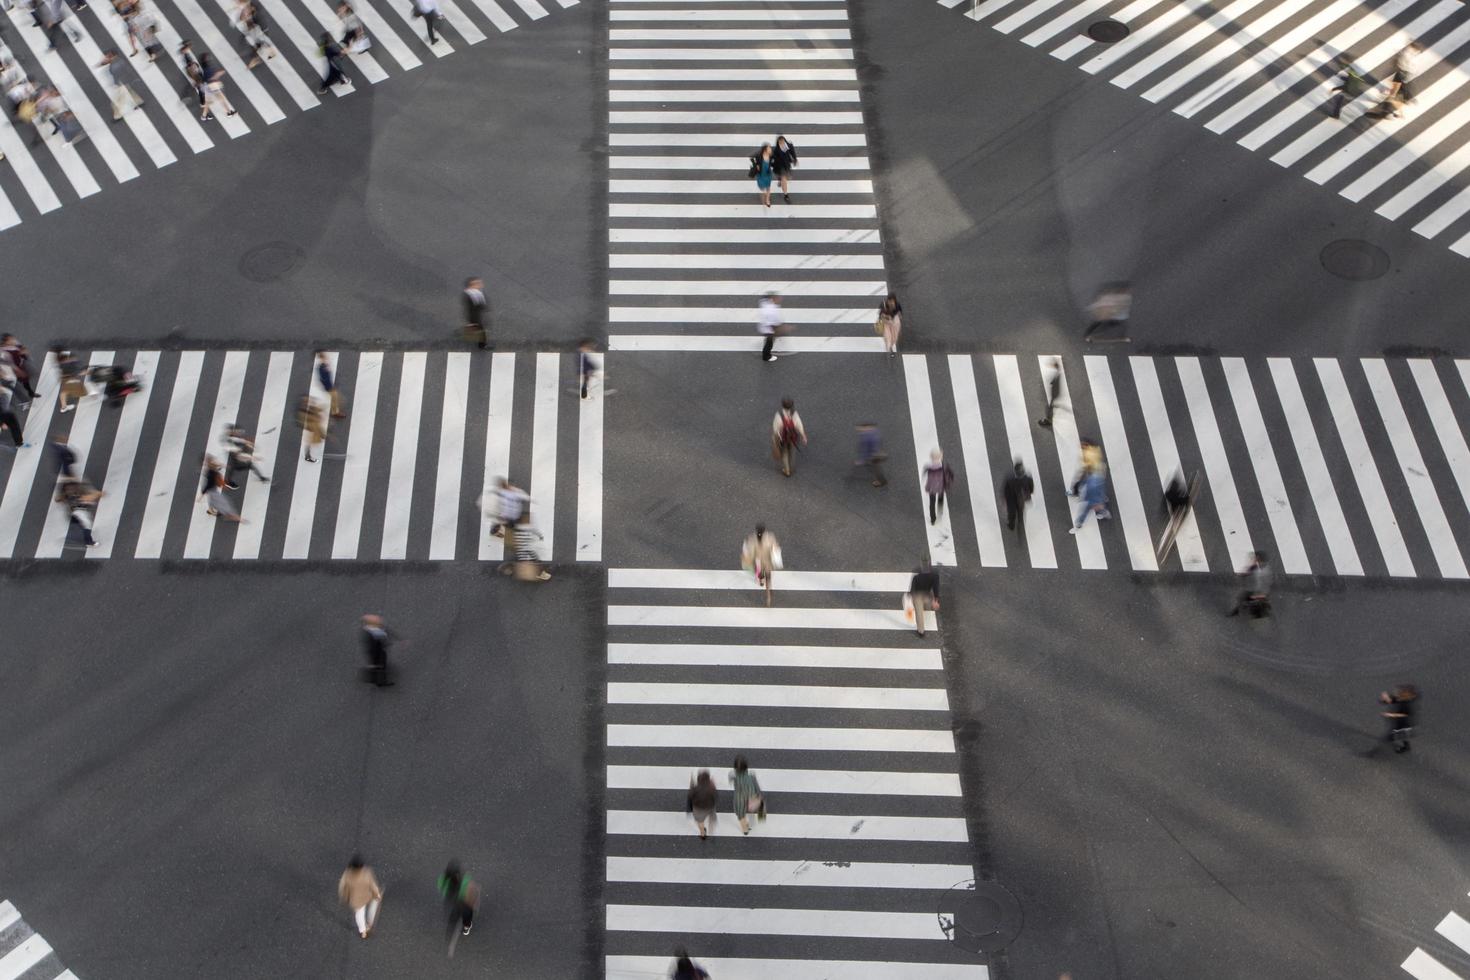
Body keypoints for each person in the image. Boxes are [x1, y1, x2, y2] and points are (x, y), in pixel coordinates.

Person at [437, 861, 480, 955]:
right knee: (467, 915)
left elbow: (442, 889)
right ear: (457, 874)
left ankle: (449, 936)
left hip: (453, 903)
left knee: (453, 918)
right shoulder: (464, 879)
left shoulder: (442, 880)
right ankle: (466, 927)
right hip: (465, 903)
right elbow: (471, 891)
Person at [338, 855, 383, 939]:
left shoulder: (348, 875)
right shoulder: (366, 873)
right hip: (368, 895)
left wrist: (345, 898)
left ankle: (363, 931)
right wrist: (377, 893)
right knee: (374, 903)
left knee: (359, 914)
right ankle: (370, 922)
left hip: (356, 901)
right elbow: (372, 885)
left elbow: (343, 888)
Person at [1157, 470, 1197, 562]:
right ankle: (1167, 546)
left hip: (1173, 509)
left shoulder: (1169, 492)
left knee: (1169, 528)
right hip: (1178, 510)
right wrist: (1186, 507)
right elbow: (1185, 501)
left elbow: (1165, 500)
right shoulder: (1178, 493)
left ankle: (1163, 548)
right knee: (1174, 527)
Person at [97, 49, 144, 122]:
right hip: (124, 82)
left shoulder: (115, 65)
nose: (106, 58)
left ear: (114, 56)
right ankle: (138, 102)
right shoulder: (118, 62)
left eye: (109, 56)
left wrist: (117, 83)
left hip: (121, 83)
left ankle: (117, 116)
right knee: (130, 92)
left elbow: (119, 74)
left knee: (116, 101)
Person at [57, 477, 102, 548]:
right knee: (87, 524)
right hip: (78, 511)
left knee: (82, 522)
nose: (70, 489)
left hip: (77, 511)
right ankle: (89, 542)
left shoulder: (72, 493)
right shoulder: (70, 495)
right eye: (69, 488)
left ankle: (83, 529)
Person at [741, 524, 780, 606]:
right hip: (768, 561)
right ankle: (768, 595)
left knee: (760, 574)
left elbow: (749, 551)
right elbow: (775, 547)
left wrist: (746, 558)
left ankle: (762, 580)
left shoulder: (752, 538)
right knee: (768, 578)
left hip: (758, 561)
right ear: (764, 530)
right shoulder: (770, 537)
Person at [199, 455, 244, 523]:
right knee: (223, 502)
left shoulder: (211, 468)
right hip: (211, 489)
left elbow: (216, 466)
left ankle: (210, 510)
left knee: (212, 499)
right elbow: (208, 485)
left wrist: (223, 466)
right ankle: (233, 516)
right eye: (212, 461)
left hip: (211, 487)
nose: (215, 461)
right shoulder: (211, 474)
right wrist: (201, 496)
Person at [1227, 550, 1271, 618]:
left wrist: (1258, 595)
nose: (1254, 559)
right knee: (1243, 599)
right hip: (1253, 589)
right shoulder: (1258, 567)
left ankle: (1258, 613)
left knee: (1243, 599)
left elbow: (1263, 584)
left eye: (1256, 558)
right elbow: (1249, 571)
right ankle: (1258, 612)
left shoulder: (1262, 572)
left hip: (1256, 591)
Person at [771, 397, 807, 478]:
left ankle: (787, 470)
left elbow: (776, 428)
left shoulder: (779, 414)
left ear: (782, 405)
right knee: (791, 451)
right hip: (792, 437)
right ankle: (791, 467)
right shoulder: (794, 413)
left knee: (784, 452)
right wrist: (803, 435)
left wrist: (775, 438)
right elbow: (798, 424)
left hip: (783, 438)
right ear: (792, 406)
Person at [1379, 684, 1418, 754]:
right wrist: (1385, 698)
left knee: (1396, 734)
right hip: (1399, 722)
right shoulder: (1400, 698)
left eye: (1398, 692)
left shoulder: (1406, 704)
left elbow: (1404, 714)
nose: (1396, 693)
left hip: (1404, 722)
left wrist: (1391, 715)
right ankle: (1406, 746)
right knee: (1401, 734)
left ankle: (1382, 748)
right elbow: (1391, 701)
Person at [731, 755, 764, 835]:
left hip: (739, 798)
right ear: (746, 767)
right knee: (751, 809)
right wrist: (759, 795)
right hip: (751, 796)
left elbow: (732, 781)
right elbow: (757, 787)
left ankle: (745, 830)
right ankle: (750, 823)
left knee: (741, 815)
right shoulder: (751, 776)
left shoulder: (733, 776)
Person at [199, 53, 237, 121]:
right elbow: (213, 77)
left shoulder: (205, 68)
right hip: (213, 86)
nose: (209, 59)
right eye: (207, 58)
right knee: (221, 99)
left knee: (209, 102)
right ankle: (229, 112)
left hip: (208, 87)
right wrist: (220, 73)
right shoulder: (209, 68)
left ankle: (204, 116)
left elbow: (208, 78)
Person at [921, 449, 954, 525]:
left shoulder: (928, 466)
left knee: (932, 502)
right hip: (940, 486)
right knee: (940, 498)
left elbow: (924, 473)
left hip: (931, 487)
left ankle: (933, 519)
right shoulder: (944, 465)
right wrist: (950, 479)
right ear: (941, 457)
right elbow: (950, 473)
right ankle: (940, 512)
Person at [1, 335, 36, 404]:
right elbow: (9, 363)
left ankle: (29, 392)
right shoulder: (4, 352)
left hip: (20, 364)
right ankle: (27, 393)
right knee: (21, 381)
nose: (13, 340)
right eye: (10, 340)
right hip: (13, 369)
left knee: (25, 380)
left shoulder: (15, 345)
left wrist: (24, 354)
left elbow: (23, 350)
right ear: (6, 342)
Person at [908, 560, 940, 638]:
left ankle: (921, 631)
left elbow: (912, 589)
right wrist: (936, 600)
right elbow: (936, 588)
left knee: (919, 613)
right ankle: (927, 608)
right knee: (927, 606)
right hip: (927, 594)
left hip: (917, 596)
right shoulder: (935, 576)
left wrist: (910, 598)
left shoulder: (916, 577)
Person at [361, 613, 393, 686]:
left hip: (380, 651)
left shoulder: (376, 629)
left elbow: (387, 633)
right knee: (380, 667)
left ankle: (378, 681)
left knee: (381, 666)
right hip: (377, 653)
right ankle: (381, 681)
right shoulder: (371, 633)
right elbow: (372, 647)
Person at [1003, 460, 1033, 535]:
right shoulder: (1027, 477)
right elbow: (1031, 488)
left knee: (1012, 513)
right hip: (1021, 499)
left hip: (1012, 499)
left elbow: (1006, 490)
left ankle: (1012, 525)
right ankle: (1019, 524)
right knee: (1020, 512)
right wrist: (1028, 494)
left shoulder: (1010, 478)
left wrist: (1005, 498)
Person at [686, 769, 718, 839]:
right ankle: (711, 829)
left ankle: (703, 833)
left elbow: (690, 797)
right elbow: (715, 796)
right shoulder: (711, 788)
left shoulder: (695, 789)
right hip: (710, 807)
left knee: (700, 821)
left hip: (698, 808)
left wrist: (691, 784)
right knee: (711, 818)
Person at [297, 394, 327, 463]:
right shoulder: (302, 412)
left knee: (318, 437)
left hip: (315, 426)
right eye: (307, 401)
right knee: (310, 442)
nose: (309, 401)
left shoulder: (310, 408)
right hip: (312, 428)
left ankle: (322, 437)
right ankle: (307, 456)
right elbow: (301, 422)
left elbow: (317, 410)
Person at [56, 349, 87, 414]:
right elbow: (76, 372)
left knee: (64, 392)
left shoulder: (61, 364)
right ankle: (64, 407)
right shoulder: (67, 365)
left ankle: (64, 407)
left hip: (65, 379)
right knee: (74, 388)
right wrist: (85, 372)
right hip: (70, 379)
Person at [855, 421, 885, 487]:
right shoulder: (875, 431)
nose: (859, 431)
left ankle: (881, 481)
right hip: (878, 453)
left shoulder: (866, 437)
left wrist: (861, 461)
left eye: (860, 429)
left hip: (874, 456)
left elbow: (865, 451)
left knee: (876, 468)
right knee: (875, 466)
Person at [317, 351, 345, 418]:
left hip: (329, 386)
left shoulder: (324, 365)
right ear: (322, 358)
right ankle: (334, 412)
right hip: (329, 387)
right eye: (324, 356)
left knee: (335, 399)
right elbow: (324, 379)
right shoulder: (322, 367)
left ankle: (334, 411)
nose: (326, 357)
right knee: (335, 399)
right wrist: (329, 387)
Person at [463, 277, 488, 350]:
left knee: (480, 330)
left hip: (476, 316)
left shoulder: (475, 293)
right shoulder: (471, 294)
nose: (480, 284)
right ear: (472, 285)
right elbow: (471, 309)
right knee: (481, 331)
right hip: (475, 318)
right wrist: (473, 322)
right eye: (478, 283)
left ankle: (481, 343)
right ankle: (482, 345)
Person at [772, 134, 798, 203]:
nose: (782, 143)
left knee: (786, 178)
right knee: (784, 180)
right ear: (778, 142)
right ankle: (786, 195)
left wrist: (795, 159)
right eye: (780, 142)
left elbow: (793, 152)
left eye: (783, 141)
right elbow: (773, 158)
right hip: (779, 167)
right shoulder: (776, 150)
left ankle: (780, 180)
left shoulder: (789, 145)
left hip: (786, 165)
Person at [757, 291, 782, 362]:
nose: (779, 300)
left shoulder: (767, 304)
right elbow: (771, 323)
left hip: (764, 326)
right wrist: (776, 331)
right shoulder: (771, 310)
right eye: (777, 298)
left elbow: (763, 300)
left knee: (769, 340)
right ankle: (766, 356)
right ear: (773, 299)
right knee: (769, 343)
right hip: (768, 329)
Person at [1038, 357, 1061, 427]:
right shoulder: (1058, 373)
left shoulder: (1057, 374)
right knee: (1050, 406)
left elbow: (1056, 386)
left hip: (1054, 394)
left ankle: (1048, 420)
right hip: (1055, 394)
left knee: (1049, 407)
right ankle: (1049, 418)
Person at [749, 141, 774, 207]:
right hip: (761, 174)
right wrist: (756, 164)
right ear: (765, 149)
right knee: (762, 187)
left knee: (768, 187)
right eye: (769, 148)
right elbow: (751, 157)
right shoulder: (759, 155)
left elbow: (773, 162)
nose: (770, 149)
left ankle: (767, 200)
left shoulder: (771, 155)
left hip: (768, 174)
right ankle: (765, 195)